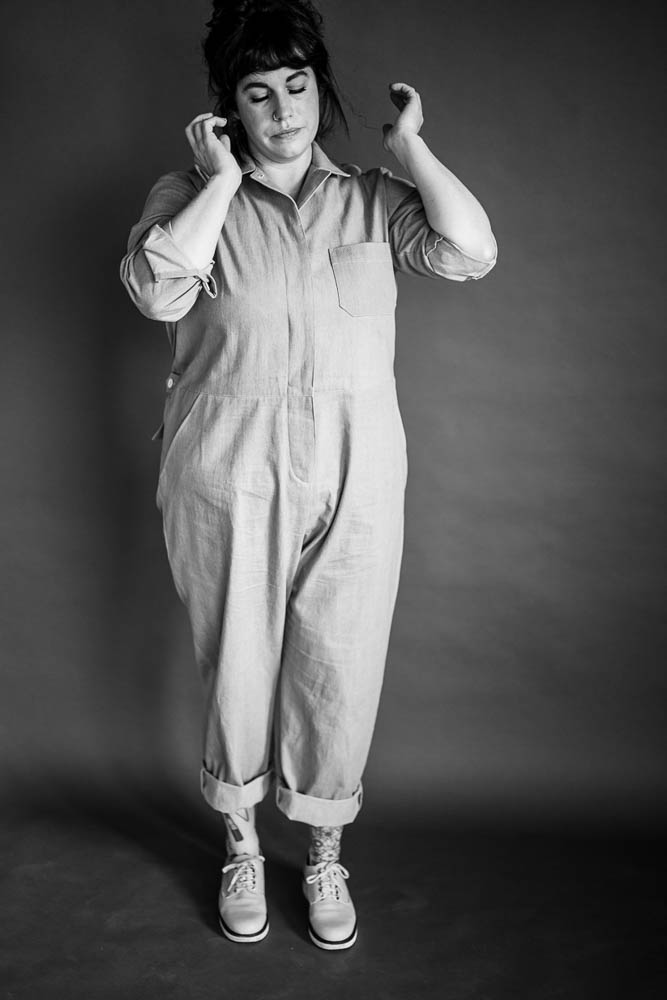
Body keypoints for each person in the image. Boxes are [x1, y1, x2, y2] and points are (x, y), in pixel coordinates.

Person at [120, 0, 496, 951]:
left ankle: (324, 851)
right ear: (228, 107)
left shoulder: (371, 197)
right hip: (225, 468)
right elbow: (156, 289)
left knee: (340, 663)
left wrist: (409, 150)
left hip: (356, 467)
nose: (283, 110)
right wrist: (218, 181)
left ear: (319, 90)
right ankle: (241, 843)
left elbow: (471, 251)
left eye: (296, 86)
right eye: (258, 93)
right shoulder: (187, 194)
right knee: (238, 660)